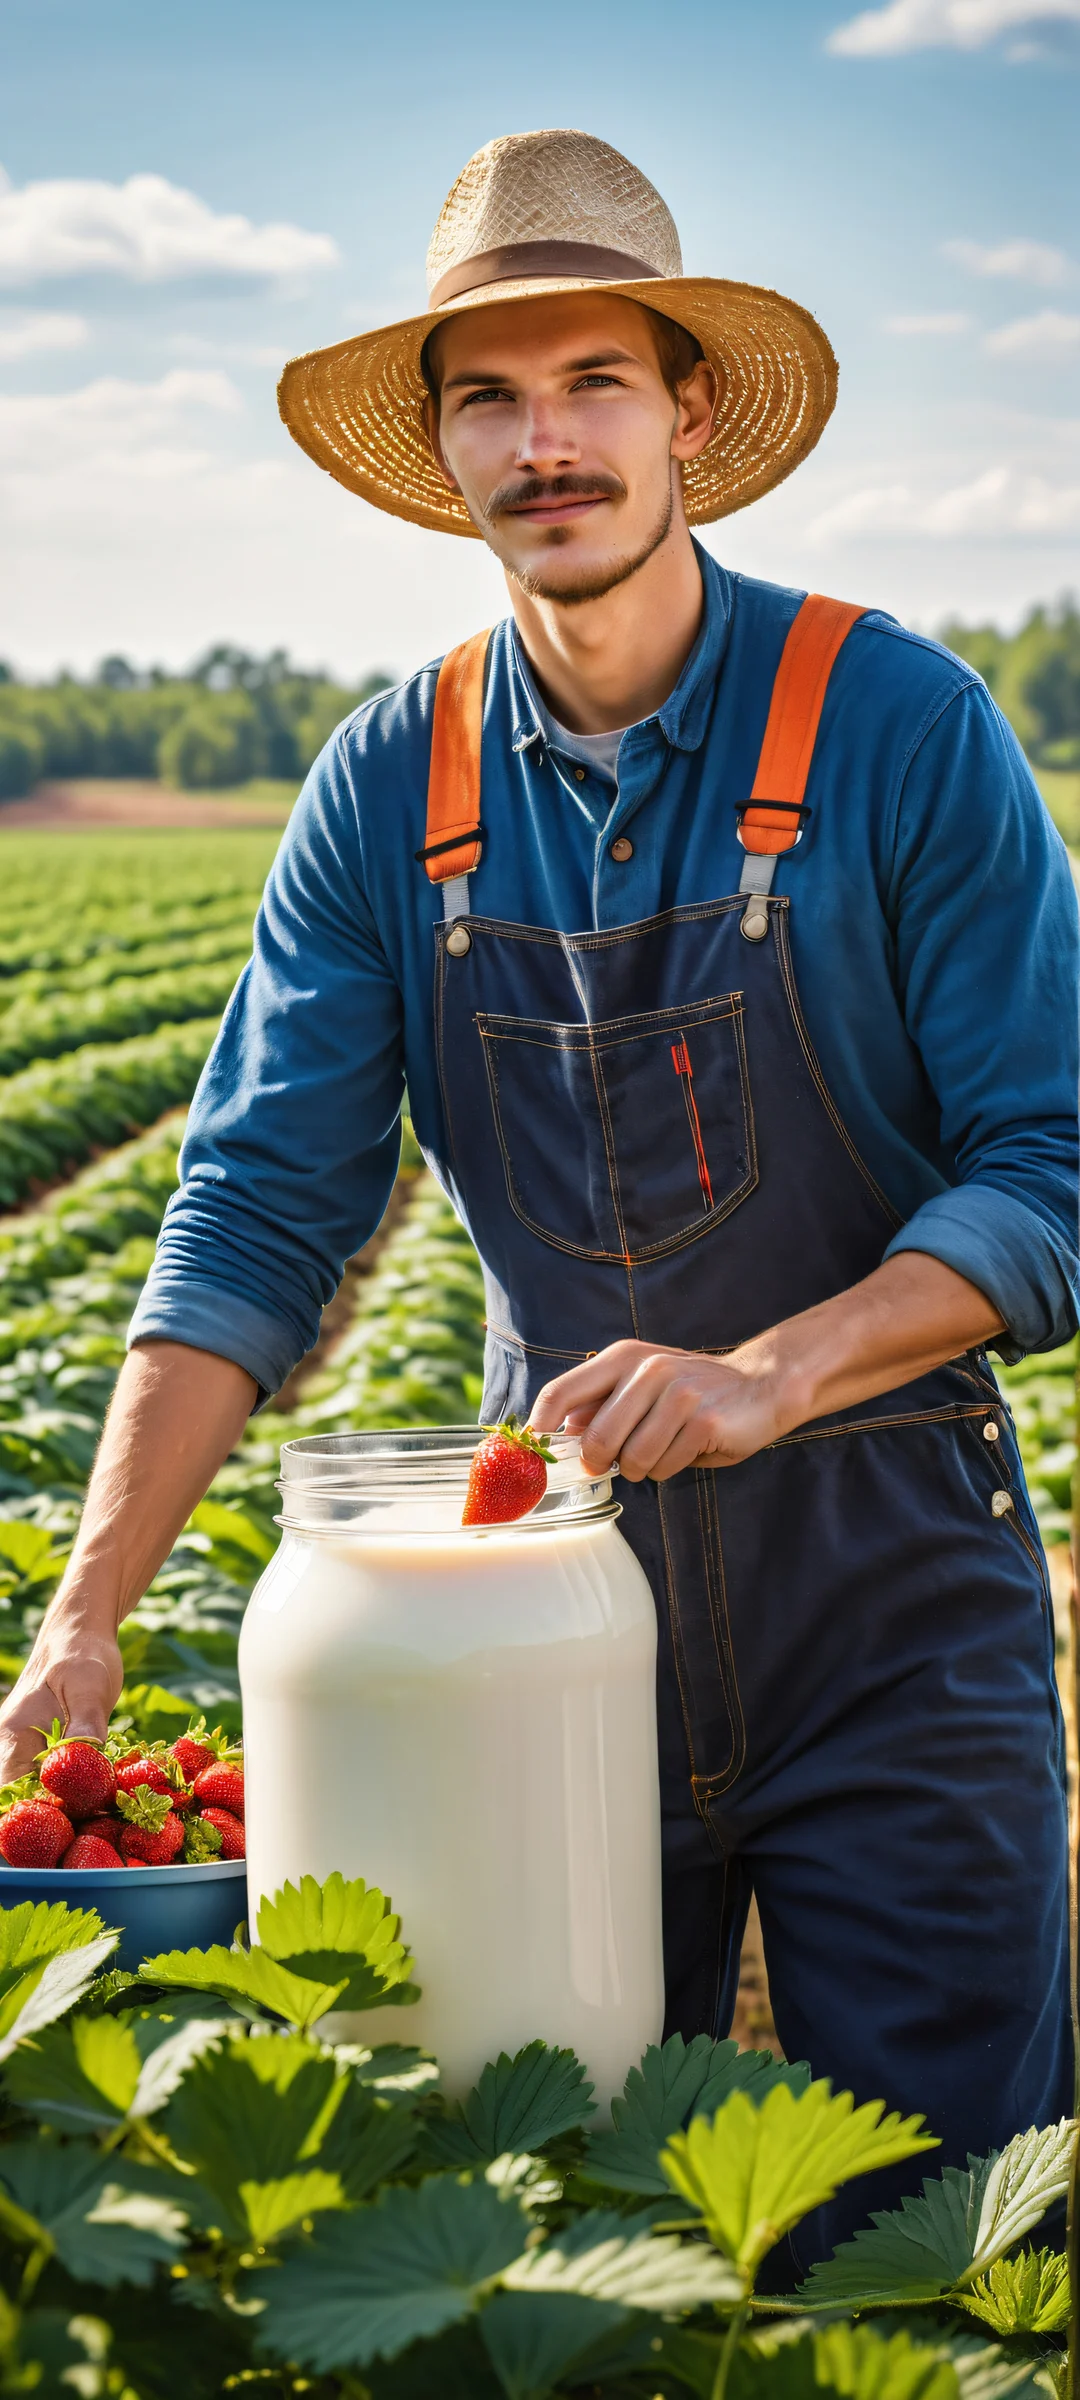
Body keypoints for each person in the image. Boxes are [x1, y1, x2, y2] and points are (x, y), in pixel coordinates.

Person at [1, 130, 1075, 2250]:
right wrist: (87, 1613)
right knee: (535, 2220)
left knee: (948, 2240)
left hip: (894, 1598)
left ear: (690, 416)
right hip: (537, 1606)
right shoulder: (389, 784)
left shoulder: (899, 729)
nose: (545, 438)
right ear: (441, 446)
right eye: (489, 396)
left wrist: (775, 1369)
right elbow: (250, 1216)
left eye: (592, 381)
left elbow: (1056, 1164)